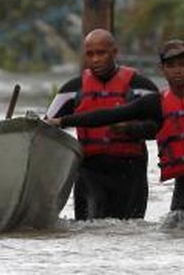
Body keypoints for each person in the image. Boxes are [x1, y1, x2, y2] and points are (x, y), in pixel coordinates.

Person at [48, 39, 184, 230]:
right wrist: (62, 121)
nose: (177, 71)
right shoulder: (156, 103)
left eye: (182, 65)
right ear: (162, 70)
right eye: (171, 66)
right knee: (173, 231)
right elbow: (107, 115)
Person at [44, 28, 159, 220]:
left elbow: (162, 127)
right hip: (90, 171)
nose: (96, 59)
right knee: (89, 229)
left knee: (130, 229)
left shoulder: (141, 87)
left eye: (101, 53)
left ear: (114, 53)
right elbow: (45, 129)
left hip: (130, 171)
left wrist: (131, 129)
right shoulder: (72, 90)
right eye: (90, 54)